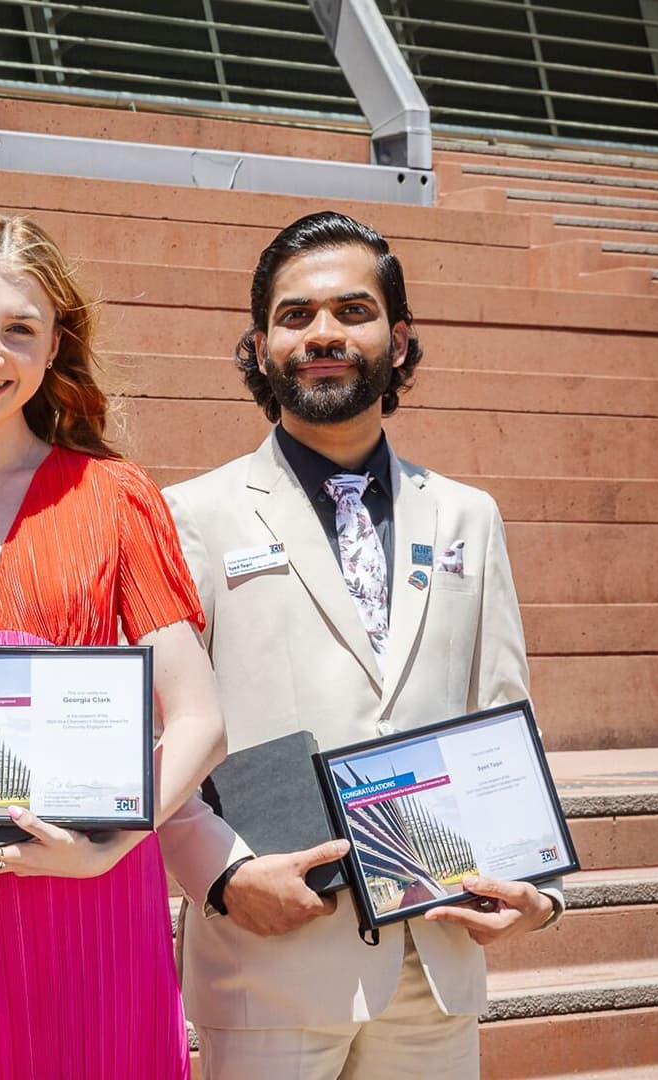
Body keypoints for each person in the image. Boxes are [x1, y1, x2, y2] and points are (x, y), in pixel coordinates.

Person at [157, 211, 562, 1079]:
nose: (324, 334)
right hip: (271, 962)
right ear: (260, 346)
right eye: (295, 317)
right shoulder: (192, 515)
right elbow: (166, 739)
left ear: (400, 337)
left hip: (437, 959)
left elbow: (503, 713)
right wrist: (224, 878)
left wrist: (539, 886)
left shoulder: (468, 516)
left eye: (352, 310)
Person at [0, 214, 227, 1079]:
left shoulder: (115, 496)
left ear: (54, 345)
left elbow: (200, 719)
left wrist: (109, 845)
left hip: (94, 886)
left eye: (19, 330)